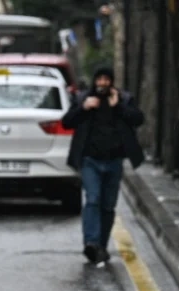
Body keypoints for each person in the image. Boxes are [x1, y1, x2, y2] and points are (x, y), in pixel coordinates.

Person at [62, 66, 145, 265]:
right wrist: (83, 108)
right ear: (94, 81)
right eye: (99, 79)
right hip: (90, 160)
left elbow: (138, 119)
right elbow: (66, 122)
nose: (102, 83)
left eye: (106, 79)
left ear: (112, 82)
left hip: (114, 161)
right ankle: (91, 242)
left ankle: (101, 245)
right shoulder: (84, 99)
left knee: (108, 206)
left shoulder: (123, 99)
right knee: (93, 199)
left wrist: (118, 106)